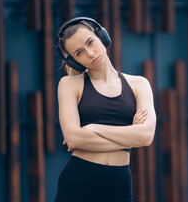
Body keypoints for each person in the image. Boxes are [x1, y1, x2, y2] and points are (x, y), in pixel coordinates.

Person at [54, 17, 156, 202]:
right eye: (79, 52)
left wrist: (93, 128)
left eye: (90, 42)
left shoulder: (139, 84)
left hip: (119, 183)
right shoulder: (69, 84)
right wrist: (131, 137)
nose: (90, 53)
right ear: (74, 61)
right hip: (78, 181)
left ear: (102, 36)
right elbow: (74, 138)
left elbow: (146, 136)